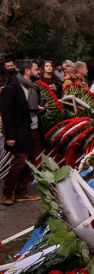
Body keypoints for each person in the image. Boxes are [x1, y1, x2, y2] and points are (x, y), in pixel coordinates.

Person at [0, 60, 44, 205]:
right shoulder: (12, 88)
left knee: (30, 163)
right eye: (37, 69)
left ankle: (21, 192)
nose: (39, 72)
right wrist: (10, 136)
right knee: (19, 162)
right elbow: (7, 114)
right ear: (27, 71)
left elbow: (34, 109)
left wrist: (41, 109)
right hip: (19, 133)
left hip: (35, 130)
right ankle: (7, 192)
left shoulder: (35, 88)